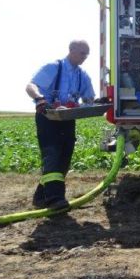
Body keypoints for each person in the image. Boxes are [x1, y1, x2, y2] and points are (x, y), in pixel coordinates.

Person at [25, 40, 95, 209]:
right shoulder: (54, 68)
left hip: (67, 120)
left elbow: (89, 98)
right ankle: (55, 199)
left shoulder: (83, 76)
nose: (85, 57)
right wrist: (40, 99)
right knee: (52, 155)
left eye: (87, 54)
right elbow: (31, 86)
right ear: (71, 50)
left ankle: (41, 197)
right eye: (82, 53)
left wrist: (92, 102)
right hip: (48, 118)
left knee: (64, 158)